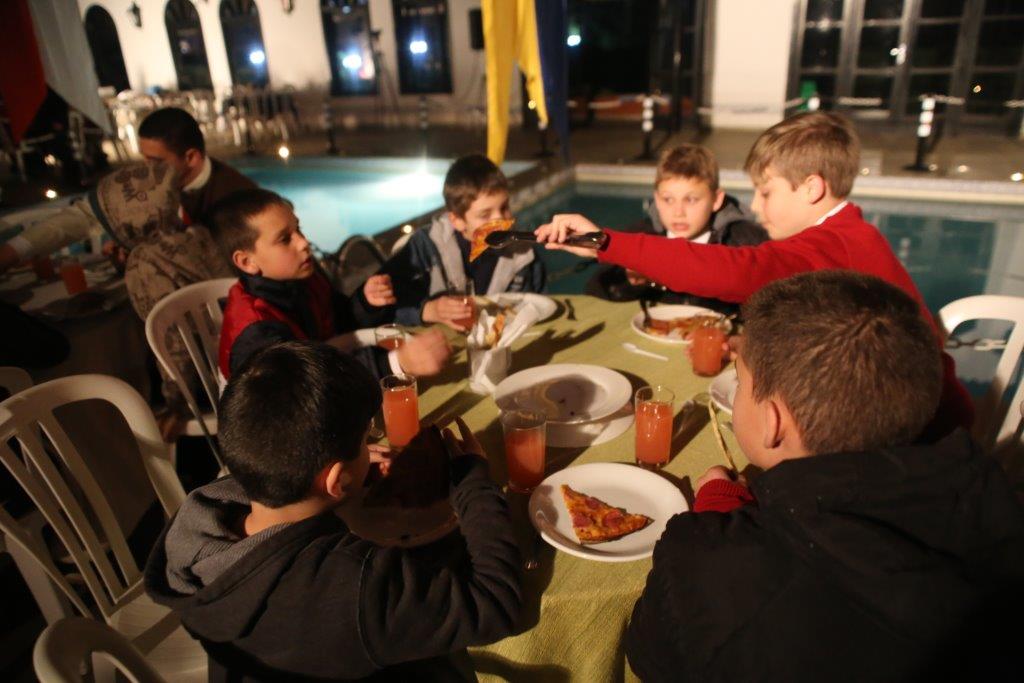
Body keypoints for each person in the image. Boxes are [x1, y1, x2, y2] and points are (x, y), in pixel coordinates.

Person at [625, 271, 1024, 682]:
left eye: (741, 382)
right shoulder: (992, 499)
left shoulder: (705, 564)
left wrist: (716, 514)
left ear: (773, 422)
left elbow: (650, 656)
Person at [535, 111, 972, 442]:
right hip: (922, 414)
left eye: (766, 192)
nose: (757, 207)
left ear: (812, 188)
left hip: (923, 437)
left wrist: (606, 242)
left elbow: (733, 270)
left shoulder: (833, 242)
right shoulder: (854, 234)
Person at [144, 341, 522, 680]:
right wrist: (474, 480)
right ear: (335, 480)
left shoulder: (196, 529)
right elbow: (495, 604)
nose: (369, 446)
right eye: (365, 439)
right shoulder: (355, 586)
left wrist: (344, 470)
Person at [211, 188, 450, 380]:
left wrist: (365, 302)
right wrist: (397, 363)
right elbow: (305, 391)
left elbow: (340, 322)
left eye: (298, 229)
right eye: (285, 239)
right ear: (247, 262)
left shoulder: (303, 278)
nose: (303, 243)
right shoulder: (256, 333)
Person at [0, 107, 254, 274]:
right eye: (144, 158)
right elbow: (82, 216)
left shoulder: (239, 196)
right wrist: (12, 252)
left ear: (191, 158)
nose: (145, 169)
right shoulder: (150, 182)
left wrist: (147, 254)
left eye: (156, 161)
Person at [586, 143, 766, 312]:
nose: (678, 212)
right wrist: (628, 282)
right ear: (656, 199)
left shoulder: (746, 244)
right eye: (668, 199)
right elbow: (595, 295)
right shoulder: (639, 237)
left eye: (691, 199)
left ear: (716, 200)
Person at [379, 154, 546, 332]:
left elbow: (540, 308)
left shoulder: (524, 254)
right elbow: (381, 308)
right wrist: (427, 310)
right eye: (485, 215)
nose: (500, 220)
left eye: (504, 207)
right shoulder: (424, 247)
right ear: (457, 220)